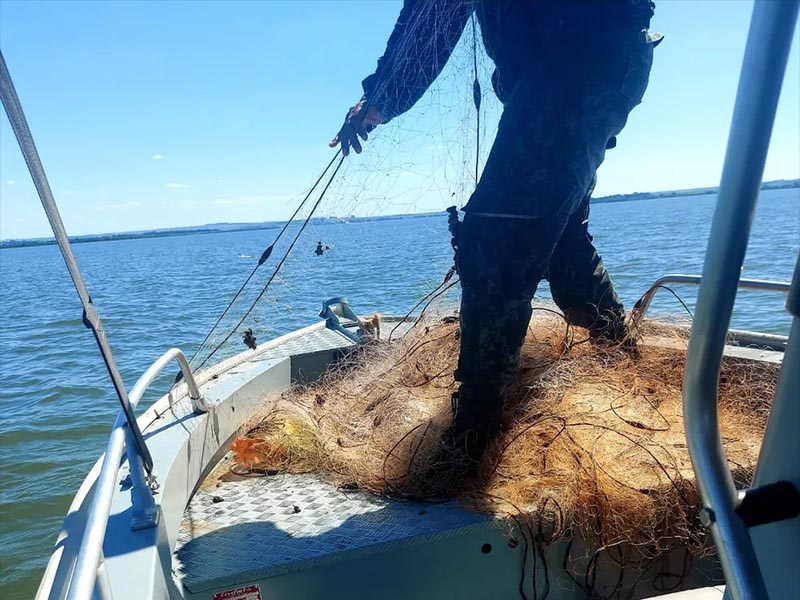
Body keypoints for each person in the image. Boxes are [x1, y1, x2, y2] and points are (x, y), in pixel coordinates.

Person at [330, 0, 661, 473]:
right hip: (577, 70)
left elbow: (436, 13)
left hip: (579, 63)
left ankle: (473, 437)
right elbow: (435, 13)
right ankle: (622, 353)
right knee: (562, 241)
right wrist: (382, 95)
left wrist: (382, 98)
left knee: (493, 240)